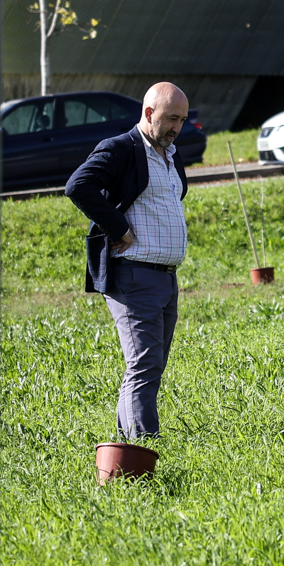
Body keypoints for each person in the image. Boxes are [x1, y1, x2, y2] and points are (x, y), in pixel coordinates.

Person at [64, 82, 192, 440]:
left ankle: (125, 452)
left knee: (149, 367)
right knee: (144, 365)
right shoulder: (121, 148)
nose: (176, 127)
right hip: (134, 276)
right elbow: (78, 186)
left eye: (181, 120)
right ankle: (143, 450)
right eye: (170, 119)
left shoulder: (169, 152)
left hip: (165, 278)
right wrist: (119, 228)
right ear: (148, 113)